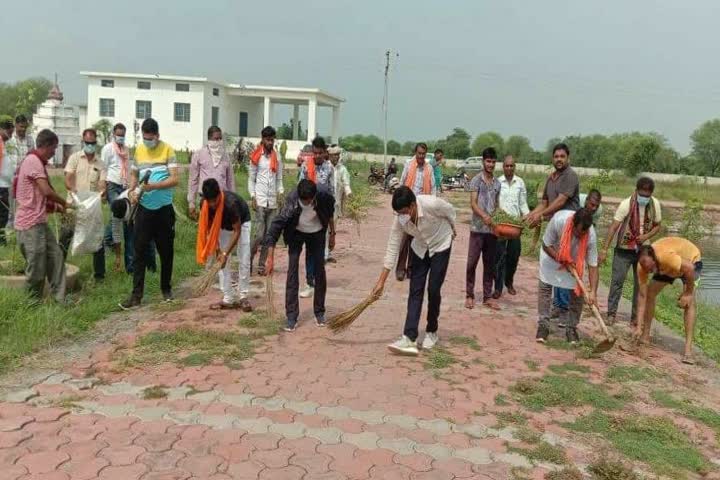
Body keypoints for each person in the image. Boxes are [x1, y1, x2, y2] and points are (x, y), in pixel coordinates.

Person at [371, 186, 457, 355]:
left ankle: (432, 332)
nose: (401, 217)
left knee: (433, 289)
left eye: (404, 212)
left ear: (412, 205)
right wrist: (381, 281)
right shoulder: (400, 219)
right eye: (398, 214)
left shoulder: (431, 204)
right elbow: (393, 246)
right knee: (415, 290)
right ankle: (409, 337)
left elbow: (450, 211)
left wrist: (452, 229)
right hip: (420, 248)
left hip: (441, 244)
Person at [120, 118, 179, 310]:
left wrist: (153, 186)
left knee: (166, 251)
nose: (148, 141)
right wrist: (132, 191)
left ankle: (166, 289)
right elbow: (134, 175)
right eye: (145, 138)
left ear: (157, 136)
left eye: (151, 138)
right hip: (144, 210)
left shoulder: (168, 150)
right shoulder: (138, 150)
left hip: (163, 209)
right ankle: (136, 295)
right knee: (139, 251)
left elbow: (174, 179)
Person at [263, 179, 335, 332]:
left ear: (315, 196)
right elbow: (275, 228)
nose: (308, 203)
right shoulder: (291, 202)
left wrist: (332, 233)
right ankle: (291, 317)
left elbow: (329, 214)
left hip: (317, 233)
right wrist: (270, 257)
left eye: (310, 201)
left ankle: (319, 312)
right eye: (305, 202)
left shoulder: (324, 195)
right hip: (296, 233)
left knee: (319, 271)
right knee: (292, 271)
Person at [14, 129, 71, 301]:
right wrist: (65, 203)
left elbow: (39, 197)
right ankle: (32, 304)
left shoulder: (36, 161)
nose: (54, 152)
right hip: (29, 225)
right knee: (37, 268)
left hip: (39, 222)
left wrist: (59, 209)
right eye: (53, 148)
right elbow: (46, 191)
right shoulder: (33, 161)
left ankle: (60, 299)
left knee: (56, 256)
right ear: (45, 146)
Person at [525, 143, 581, 319]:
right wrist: (529, 215)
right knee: (555, 265)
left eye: (562, 156)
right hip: (555, 229)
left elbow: (560, 202)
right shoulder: (551, 178)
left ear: (568, 158)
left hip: (569, 230)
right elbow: (545, 203)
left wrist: (540, 217)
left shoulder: (570, 176)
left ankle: (565, 309)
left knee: (565, 267)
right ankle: (558, 306)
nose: (559, 159)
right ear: (552, 158)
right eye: (556, 156)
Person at [599, 177, 662, 326]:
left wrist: (646, 236)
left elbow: (657, 226)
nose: (644, 198)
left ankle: (635, 317)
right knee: (617, 281)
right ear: (636, 191)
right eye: (642, 194)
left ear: (651, 194)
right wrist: (604, 249)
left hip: (643, 250)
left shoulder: (655, 205)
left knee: (640, 284)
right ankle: (611, 314)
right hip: (624, 249)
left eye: (647, 196)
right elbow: (614, 227)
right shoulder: (626, 204)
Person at [634, 238, 702, 364]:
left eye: (651, 268)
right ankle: (645, 335)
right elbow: (642, 297)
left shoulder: (665, 257)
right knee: (650, 293)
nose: (649, 271)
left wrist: (687, 293)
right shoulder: (642, 267)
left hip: (690, 261)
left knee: (689, 302)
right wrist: (638, 326)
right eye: (648, 270)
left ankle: (688, 351)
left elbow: (690, 269)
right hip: (668, 267)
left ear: (654, 259)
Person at [535, 208, 599, 344]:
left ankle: (571, 328)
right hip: (552, 256)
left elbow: (593, 265)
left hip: (575, 262)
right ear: (573, 224)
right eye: (578, 232)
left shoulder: (591, 235)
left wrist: (593, 291)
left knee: (578, 294)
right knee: (545, 288)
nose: (580, 235)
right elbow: (546, 245)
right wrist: (562, 260)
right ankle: (543, 326)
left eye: (583, 233)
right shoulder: (559, 220)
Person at [101, 122, 156, 274]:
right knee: (129, 237)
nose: (120, 137)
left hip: (136, 202)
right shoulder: (117, 213)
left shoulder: (134, 196)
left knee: (147, 239)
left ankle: (151, 267)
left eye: (122, 135)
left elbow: (139, 181)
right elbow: (118, 235)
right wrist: (118, 256)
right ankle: (131, 268)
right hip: (113, 184)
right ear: (113, 134)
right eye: (118, 134)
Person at [196, 178, 253, 312]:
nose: (212, 205)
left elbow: (237, 230)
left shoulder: (230, 203)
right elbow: (210, 229)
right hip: (221, 226)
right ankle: (228, 297)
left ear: (219, 195)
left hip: (242, 223)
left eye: (214, 201)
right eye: (209, 202)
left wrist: (226, 253)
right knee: (220, 262)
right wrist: (218, 251)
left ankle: (243, 296)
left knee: (244, 258)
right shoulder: (204, 204)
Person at [60, 129, 107, 280]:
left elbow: (102, 183)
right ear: (83, 142)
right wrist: (72, 189)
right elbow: (68, 178)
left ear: (96, 143)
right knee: (65, 236)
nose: (90, 145)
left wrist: (102, 191)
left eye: (93, 143)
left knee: (97, 239)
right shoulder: (74, 158)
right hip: (73, 205)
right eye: (87, 143)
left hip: (91, 208)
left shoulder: (100, 163)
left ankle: (99, 275)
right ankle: (57, 268)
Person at [298, 136, 334, 298]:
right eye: (315, 153)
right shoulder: (306, 166)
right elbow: (300, 189)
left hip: (323, 214)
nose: (317, 156)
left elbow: (331, 193)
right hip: (307, 214)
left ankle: (318, 279)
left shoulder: (329, 168)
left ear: (324, 153)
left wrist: (331, 221)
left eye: (320, 153)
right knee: (309, 249)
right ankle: (309, 281)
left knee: (319, 249)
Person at [466, 147, 501, 310]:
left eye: (493, 162)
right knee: (472, 263)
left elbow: (497, 205)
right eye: (488, 161)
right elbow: (473, 203)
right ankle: (469, 295)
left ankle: (487, 296)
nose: (491, 165)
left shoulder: (497, 183)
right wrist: (484, 216)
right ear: (483, 161)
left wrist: (496, 218)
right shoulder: (476, 180)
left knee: (489, 264)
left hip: (491, 232)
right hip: (477, 229)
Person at [396, 143, 436, 281]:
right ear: (415, 153)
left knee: (416, 240)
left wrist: (432, 207)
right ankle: (400, 269)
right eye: (419, 153)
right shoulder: (408, 165)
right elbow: (402, 183)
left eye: (423, 154)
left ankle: (411, 269)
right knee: (404, 240)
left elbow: (433, 188)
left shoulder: (429, 168)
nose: (421, 156)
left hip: (420, 210)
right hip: (407, 209)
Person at [249, 126, 284, 276]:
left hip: (273, 201)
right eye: (267, 139)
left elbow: (279, 179)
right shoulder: (257, 156)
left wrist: (281, 192)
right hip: (260, 200)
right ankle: (249, 257)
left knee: (269, 236)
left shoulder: (278, 157)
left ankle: (261, 264)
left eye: (272, 139)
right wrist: (252, 196)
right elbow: (251, 179)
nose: (270, 142)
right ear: (262, 139)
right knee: (259, 235)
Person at [493, 155, 529, 298]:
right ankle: (498, 287)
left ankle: (509, 281)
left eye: (511, 166)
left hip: (514, 226)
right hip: (501, 226)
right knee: (499, 257)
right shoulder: (497, 182)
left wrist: (527, 215)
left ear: (515, 166)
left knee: (514, 256)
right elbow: (494, 202)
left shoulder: (520, 182)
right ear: (503, 167)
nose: (509, 168)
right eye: (507, 166)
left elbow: (523, 203)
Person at [188, 126, 235, 220]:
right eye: (216, 139)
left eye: (220, 138)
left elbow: (230, 180)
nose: (219, 141)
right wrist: (191, 203)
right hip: (206, 198)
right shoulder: (199, 154)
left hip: (222, 198)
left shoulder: (226, 156)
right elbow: (193, 180)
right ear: (209, 139)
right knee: (206, 229)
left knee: (223, 229)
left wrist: (233, 201)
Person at [7, 115, 35, 230]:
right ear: (16, 125)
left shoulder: (30, 140)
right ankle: (8, 234)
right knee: (11, 209)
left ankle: (22, 231)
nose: (23, 129)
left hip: (26, 180)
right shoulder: (9, 140)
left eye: (25, 127)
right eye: (21, 126)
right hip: (11, 179)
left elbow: (33, 158)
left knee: (24, 207)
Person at [326, 145, 352, 263]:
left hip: (335, 205)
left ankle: (328, 253)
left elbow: (346, 183)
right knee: (324, 229)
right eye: (333, 154)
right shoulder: (325, 167)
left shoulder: (342, 169)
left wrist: (349, 193)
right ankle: (322, 254)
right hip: (324, 204)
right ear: (329, 155)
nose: (336, 157)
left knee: (332, 230)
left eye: (337, 154)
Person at [0, 120, 14, 245]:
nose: (11, 135)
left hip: (5, 184)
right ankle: (1, 240)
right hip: (1, 185)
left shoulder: (4, 143)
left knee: (4, 213)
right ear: (4, 129)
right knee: (3, 214)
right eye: (10, 132)